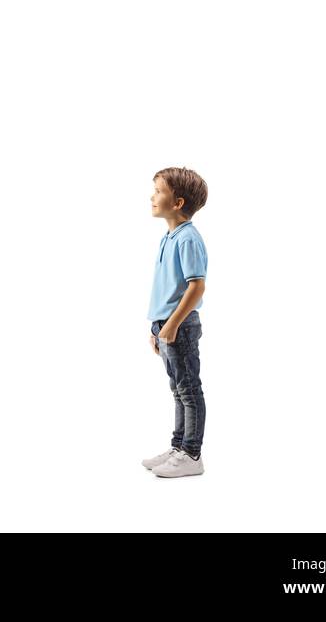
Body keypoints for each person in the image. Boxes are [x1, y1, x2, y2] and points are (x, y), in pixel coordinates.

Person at [141, 167, 208, 477]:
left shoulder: (188, 239)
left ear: (178, 202)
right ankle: (179, 446)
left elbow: (197, 286)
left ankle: (191, 454)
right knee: (178, 390)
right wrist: (156, 326)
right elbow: (167, 286)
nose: (152, 197)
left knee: (189, 390)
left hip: (179, 326)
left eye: (159, 191)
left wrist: (172, 324)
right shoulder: (169, 237)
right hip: (165, 325)